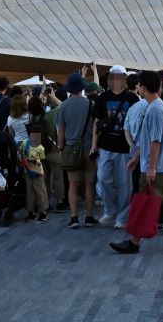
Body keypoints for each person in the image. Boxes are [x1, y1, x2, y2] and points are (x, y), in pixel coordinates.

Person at [109, 70, 163, 253]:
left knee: (146, 201)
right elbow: (149, 140)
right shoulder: (156, 107)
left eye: (139, 85)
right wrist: (137, 158)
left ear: (143, 87)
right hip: (158, 165)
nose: (138, 88)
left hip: (156, 167)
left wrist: (150, 167)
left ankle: (134, 242)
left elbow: (155, 141)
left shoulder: (155, 109)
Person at [92, 64, 139, 229]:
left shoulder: (133, 99)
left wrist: (136, 147)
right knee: (103, 178)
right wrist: (94, 145)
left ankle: (122, 216)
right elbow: (97, 123)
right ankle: (110, 210)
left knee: (125, 183)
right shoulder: (102, 98)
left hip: (125, 147)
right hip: (105, 146)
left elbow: (137, 125)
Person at [56, 72, 98, 229]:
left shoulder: (64, 106)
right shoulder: (90, 105)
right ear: (82, 88)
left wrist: (61, 147)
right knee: (89, 184)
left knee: (73, 184)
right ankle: (89, 216)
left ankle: (74, 217)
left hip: (71, 148)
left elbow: (61, 130)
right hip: (88, 148)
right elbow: (95, 127)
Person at [42, 89, 67, 212]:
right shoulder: (54, 114)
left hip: (40, 150)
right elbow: (63, 105)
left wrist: (44, 98)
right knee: (58, 177)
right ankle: (60, 201)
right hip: (54, 149)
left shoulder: (34, 114)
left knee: (45, 177)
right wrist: (53, 96)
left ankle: (45, 202)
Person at [19, 125, 48, 222]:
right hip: (37, 169)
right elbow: (42, 158)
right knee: (40, 191)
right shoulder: (40, 146)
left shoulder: (24, 142)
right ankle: (43, 212)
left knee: (29, 191)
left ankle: (30, 212)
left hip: (26, 169)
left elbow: (20, 153)